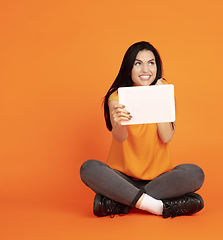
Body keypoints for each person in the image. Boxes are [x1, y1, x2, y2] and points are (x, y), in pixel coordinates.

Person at [80, 41, 205, 218]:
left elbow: (166, 136)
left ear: (157, 67)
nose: (145, 69)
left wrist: (160, 99)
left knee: (195, 173)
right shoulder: (117, 96)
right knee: (89, 168)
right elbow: (120, 138)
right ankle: (159, 207)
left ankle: (120, 201)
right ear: (129, 69)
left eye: (151, 63)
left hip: (160, 179)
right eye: (138, 63)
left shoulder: (165, 91)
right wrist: (120, 122)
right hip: (122, 178)